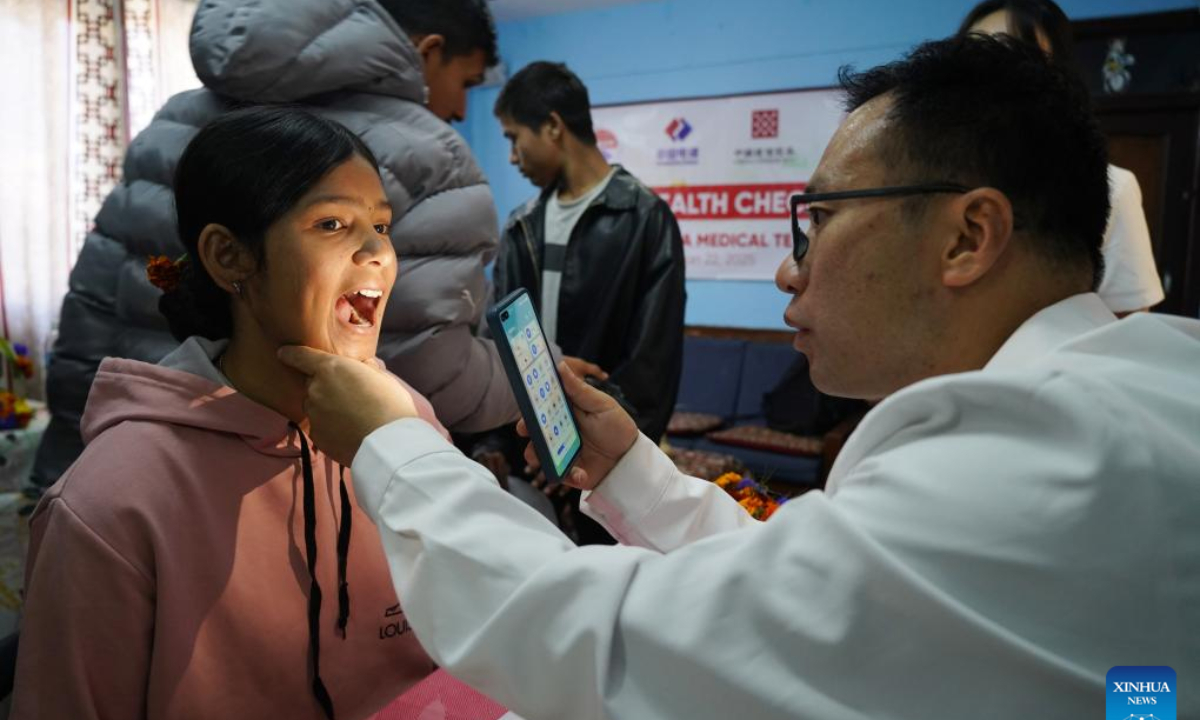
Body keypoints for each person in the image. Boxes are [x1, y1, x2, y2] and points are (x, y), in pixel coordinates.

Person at [279, 37, 1200, 720]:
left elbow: (623, 646)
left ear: (968, 237)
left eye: (820, 219)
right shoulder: (1134, 388)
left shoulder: (1038, 459)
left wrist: (392, 443)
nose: (789, 271)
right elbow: (813, 584)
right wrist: (636, 468)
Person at [14, 108, 446, 720]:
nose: (379, 251)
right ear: (228, 257)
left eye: (381, 224)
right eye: (332, 224)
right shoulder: (112, 505)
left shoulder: (408, 424)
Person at [30, 0, 522, 491]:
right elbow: (433, 368)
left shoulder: (174, 119)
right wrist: (538, 380)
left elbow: (94, 308)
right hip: (303, 470)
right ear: (429, 51)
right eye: (467, 81)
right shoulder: (430, 152)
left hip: (130, 455)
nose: (460, 108)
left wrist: (72, 461)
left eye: (382, 226)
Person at [481, 61, 686, 538]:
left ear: (552, 126)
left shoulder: (645, 218)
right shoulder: (520, 226)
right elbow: (499, 349)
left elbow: (652, 364)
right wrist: (530, 443)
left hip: (607, 459)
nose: (511, 156)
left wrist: (574, 447)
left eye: (514, 138)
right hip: (526, 453)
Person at [959, 0, 1164, 316]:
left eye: (1016, 57)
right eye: (974, 57)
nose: (990, 75)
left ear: (1058, 78)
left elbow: (1126, 332)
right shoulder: (922, 175)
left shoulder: (1110, 188)